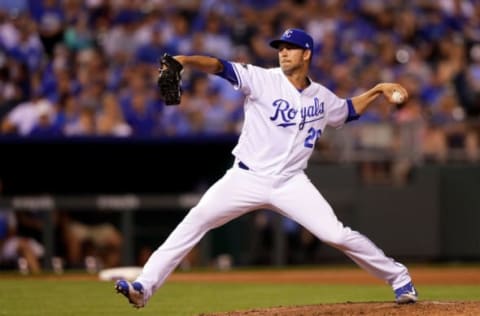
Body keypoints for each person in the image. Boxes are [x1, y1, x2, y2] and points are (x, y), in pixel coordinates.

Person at [115, 28, 418, 308]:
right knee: (195, 221)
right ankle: (144, 287)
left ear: (307, 54)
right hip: (246, 177)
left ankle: (399, 278)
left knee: (336, 235)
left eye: (291, 48)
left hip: (290, 183)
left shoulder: (321, 97)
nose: (283, 52)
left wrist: (378, 90)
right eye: (281, 48)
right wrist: (184, 60)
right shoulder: (261, 78)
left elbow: (348, 110)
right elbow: (219, 66)